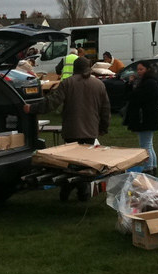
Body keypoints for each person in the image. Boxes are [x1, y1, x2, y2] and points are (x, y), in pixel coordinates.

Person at [27, 56, 111, 200]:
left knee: (71, 165)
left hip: (72, 130)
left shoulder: (68, 83)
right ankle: (82, 193)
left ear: (75, 68)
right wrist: (103, 128)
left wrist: (32, 108)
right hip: (91, 131)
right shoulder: (99, 84)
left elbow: (52, 102)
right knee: (85, 165)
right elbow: (105, 109)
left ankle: (66, 192)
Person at [122, 61, 158, 174]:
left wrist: (130, 85)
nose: (138, 72)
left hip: (145, 118)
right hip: (148, 117)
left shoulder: (148, 83)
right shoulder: (149, 82)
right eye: (138, 69)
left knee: (145, 146)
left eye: (141, 69)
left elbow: (134, 97)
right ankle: (153, 167)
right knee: (149, 144)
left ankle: (148, 168)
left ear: (147, 70)